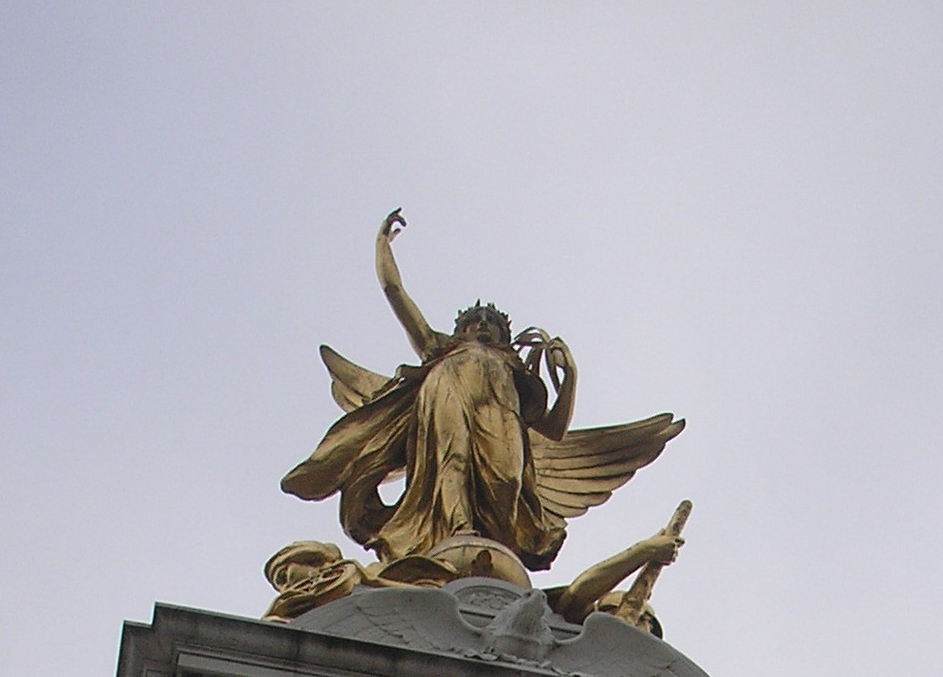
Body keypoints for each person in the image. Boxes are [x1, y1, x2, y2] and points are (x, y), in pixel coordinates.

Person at [280, 212, 682, 585]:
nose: (484, 327)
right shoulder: (441, 349)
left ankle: (495, 539)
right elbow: (395, 292)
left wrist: (570, 377)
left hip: (500, 413)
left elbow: (554, 430)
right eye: (475, 322)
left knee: (507, 478)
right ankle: (458, 530)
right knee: (450, 461)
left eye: (493, 324)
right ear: (462, 329)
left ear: (506, 337)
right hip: (444, 395)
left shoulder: (515, 373)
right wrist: (382, 247)